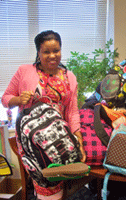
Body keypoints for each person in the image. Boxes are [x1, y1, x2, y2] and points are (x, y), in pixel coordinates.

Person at [1, 30, 86, 200]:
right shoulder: (24, 71)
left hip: (60, 138)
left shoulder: (69, 77)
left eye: (56, 50)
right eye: (46, 52)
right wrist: (18, 99)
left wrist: (79, 141)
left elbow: (72, 112)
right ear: (38, 53)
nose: (52, 56)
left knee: (64, 182)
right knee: (47, 184)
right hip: (33, 141)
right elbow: (5, 99)